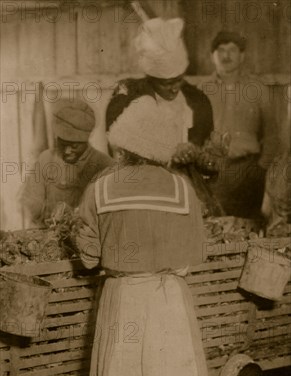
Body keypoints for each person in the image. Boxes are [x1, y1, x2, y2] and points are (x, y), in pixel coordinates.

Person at [75, 96, 216, 376]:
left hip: (122, 298)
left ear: (123, 145)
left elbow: (87, 255)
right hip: (170, 300)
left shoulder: (99, 187)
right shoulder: (182, 188)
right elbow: (195, 255)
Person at [105, 17, 224, 215]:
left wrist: (200, 155)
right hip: (141, 194)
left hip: (187, 193)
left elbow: (208, 168)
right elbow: (118, 154)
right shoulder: (129, 99)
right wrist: (167, 154)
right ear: (151, 78)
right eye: (165, 83)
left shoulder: (196, 101)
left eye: (178, 80)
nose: (174, 87)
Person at [200, 30, 279, 218]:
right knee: (215, 227)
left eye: (232, 50)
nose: (226, 56)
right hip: (213, 172)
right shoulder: (202, 90)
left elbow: (272, 135)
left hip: (249, 171)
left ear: (242, 55)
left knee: (249, 227)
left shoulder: (258, 89)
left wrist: (261, 169)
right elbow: (192, 134)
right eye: (220, 50)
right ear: (212, 56)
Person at [21, 98, 113, 226]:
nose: (67, 151)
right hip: (49, 236)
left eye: (75, 145)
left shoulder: (105, 165)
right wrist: (43, 215)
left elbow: (110, 216)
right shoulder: (46, 159)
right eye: (63, 144)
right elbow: (32, 201)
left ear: (86, 140)